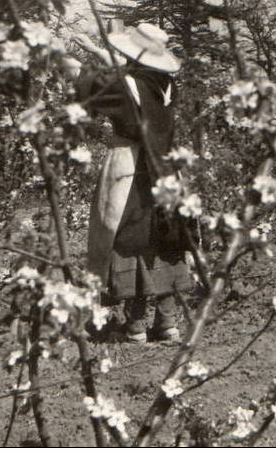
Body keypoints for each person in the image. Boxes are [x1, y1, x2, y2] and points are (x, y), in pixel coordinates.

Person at [71, 23, 192, 344]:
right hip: (165, 169)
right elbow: (127, 78)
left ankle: (135, 324)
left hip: (132, 167)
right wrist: (97, 51)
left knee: (129, 239)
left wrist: (62, 57)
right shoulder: (165, 84)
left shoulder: (127, 86)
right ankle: (168, 324)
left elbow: (92, 85)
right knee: (165, 239)